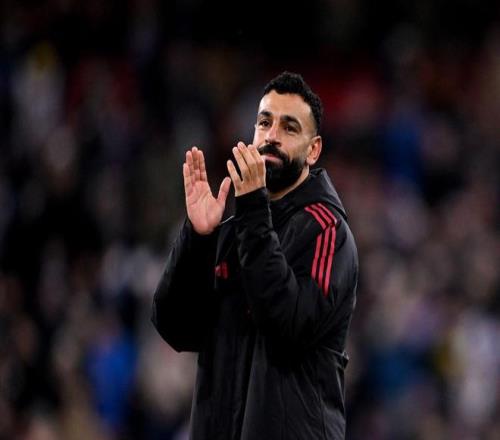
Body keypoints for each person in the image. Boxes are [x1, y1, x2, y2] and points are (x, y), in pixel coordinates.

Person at [152, 71, 359, 439]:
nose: (272, 136)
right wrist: (198, 238)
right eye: (264, 122)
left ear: (313, 150)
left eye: (289, 127)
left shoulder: (327, 230)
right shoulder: (235, 229)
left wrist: (251, 209)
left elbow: (288, 326)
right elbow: (177, 328)